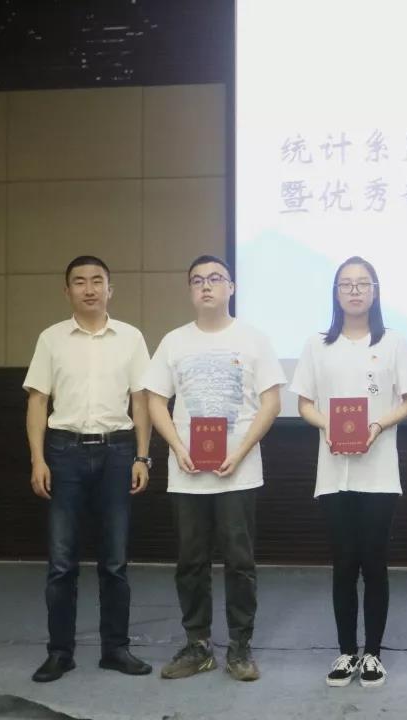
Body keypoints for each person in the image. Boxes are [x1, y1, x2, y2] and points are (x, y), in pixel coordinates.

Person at [142, 254, 285, 682]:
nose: (206, 285)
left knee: (240, 562)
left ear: (231, 288)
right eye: (198, 280)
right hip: (187, 472)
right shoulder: (174, 341)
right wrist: (176, 446)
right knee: (191, 561)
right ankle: (198, 645)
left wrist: (240, 451)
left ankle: (240, 647)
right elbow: (154, 400)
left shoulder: (254, 339)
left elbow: (272, 402)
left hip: (238, 472)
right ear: (190, 290)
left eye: (216, 278)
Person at [289, 256, 407, 688]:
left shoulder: (393, 342)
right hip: (335, 473)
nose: (355, 290)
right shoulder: (317, 345)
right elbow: (304, 403)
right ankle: (347, 651)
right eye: (346, 284)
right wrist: (328, 426)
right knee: (344, 563)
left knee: (374, 563)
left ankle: (374, 654)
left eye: (363, 283)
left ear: (375, 292)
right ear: (336, 293)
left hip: (378, 472)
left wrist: (378, 424)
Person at [24, 255, 153, 682]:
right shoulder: (51, 339)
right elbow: (38, 401)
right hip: (64, 452)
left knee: (115, 561)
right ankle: (60, 652)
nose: (89, 288)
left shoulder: (131, 338)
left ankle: (115, 649)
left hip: (118, 452)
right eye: (79, 282)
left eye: (97, 281)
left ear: (110, 289)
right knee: (62, 562)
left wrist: (142, 456)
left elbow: (141, 401)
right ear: (67, 291)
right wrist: (38, 458)